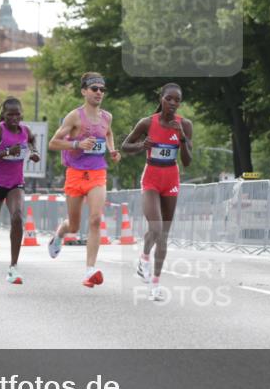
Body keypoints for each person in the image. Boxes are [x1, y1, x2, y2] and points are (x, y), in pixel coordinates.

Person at [46, 72, 122, 288]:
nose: (99, 92)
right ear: (84, 91)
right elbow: (53, 143)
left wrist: (112, 150)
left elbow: (108, 134)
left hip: (98, 173)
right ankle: (60, 233)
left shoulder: (107, 117)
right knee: (74, 225)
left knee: (96, 219)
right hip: (75, 174)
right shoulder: (75, 117)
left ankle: (90, 270)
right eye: (94, 88)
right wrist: (77, 145)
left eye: (102, 89)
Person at [121, 83, 193, 301]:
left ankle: (155, 284)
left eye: (177, 100)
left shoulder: (185, 125)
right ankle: (144, 260)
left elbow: (187, 162)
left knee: (163, 235)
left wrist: (181, 139)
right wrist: (142, 145)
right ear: (161, 98)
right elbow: (125, 146)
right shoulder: (147, 122)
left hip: (171, 179)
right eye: (168, 99)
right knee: (156, 227)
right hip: (151, 179)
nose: (172, 103)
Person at [0, 97, 41, 284]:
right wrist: (6, 152)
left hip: (16, 184)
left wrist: (34, 151)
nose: (14, 117)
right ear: (3, 115)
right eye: (10, 114)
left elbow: (31, 140)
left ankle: (13, 267)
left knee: (17, 217)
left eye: (17, 114)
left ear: (22, 114)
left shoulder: (25, 130)